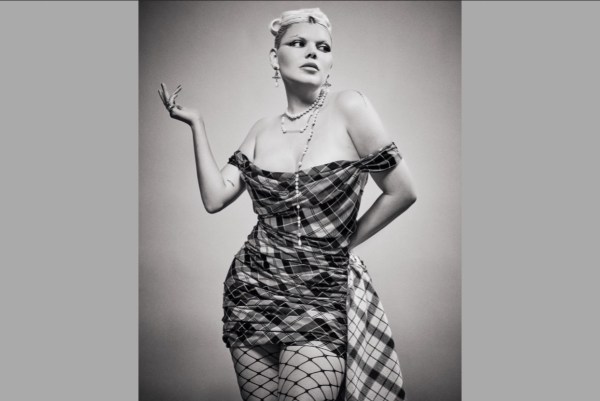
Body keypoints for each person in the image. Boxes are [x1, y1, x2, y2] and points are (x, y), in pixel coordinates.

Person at [158, 8, 416, 401]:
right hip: (251, 292)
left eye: (323, 47)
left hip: (319, 296)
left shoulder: (350, 107)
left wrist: (343, 245)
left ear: (330, 61)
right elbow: (214, 198)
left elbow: (402, 191)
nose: (313, 52)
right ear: (274, 57)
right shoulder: (261, 130)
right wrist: (197, 124)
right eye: (298, 43)